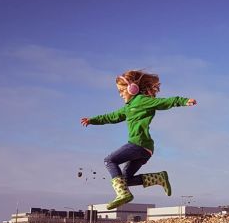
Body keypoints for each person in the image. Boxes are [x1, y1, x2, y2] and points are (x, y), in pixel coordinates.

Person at [81, 70, 196, 209]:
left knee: (109, 160)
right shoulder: (127, 108)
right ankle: (159, 178)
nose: (120, 94)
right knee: (125, 179)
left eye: (121, 90)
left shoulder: (141, 100)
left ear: (132, 88)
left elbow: (164, 102)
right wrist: (92, 120)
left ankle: (122, 194)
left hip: (138, 144)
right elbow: (111, 117)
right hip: (145, 150)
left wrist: (183, 101)